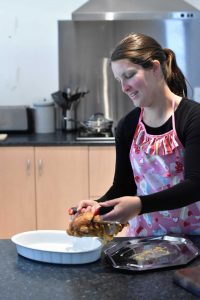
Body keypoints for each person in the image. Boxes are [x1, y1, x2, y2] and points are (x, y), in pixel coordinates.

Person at [76, 32, 200, 237]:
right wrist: (98, 207)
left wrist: (140, 204)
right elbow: (123, 186)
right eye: (118, 80)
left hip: (194, 244)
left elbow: (196, 184)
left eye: (129, 75)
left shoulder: (193, 117)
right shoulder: (128, 125)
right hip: (143, 242)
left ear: (155, 68)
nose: (124, 88)